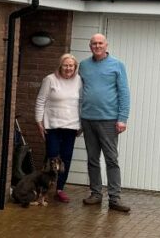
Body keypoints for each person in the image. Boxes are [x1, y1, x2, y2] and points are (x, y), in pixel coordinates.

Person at [78, 33, 131, 213]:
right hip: (88, 119)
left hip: (109, 120)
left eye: (100, 43)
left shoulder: (117, 65)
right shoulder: (83, 66)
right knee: (92, 159)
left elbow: (124, 93)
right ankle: (96, 194)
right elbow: (78, 92)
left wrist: (122, 118)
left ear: (106, 45)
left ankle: (115, 198)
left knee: (111, 159)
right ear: (90, 45)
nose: (97, 46)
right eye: (94, 43)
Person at [34, 53, 81, 204]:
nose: (68, 68)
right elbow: (40, 101)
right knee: (52, 157)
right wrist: (39, 121)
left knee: (66, 158)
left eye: (71, 66)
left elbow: (82, 103)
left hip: (71, 126)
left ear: (75, 67)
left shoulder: (79, 81)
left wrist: (81, 125)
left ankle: (59, 189)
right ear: (60, 66)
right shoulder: (50, 80)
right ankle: (43, 189)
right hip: (52, 126)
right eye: (65, 65)